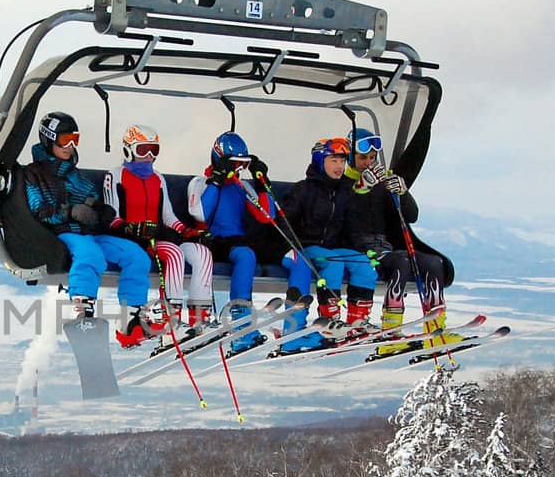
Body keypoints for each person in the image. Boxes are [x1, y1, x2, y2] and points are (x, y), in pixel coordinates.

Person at [23, 110, 156, 347]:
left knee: (135, 255)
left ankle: (131, 318)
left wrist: (100, 210)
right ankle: (83, 309)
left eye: (75, 139)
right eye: (65, 140)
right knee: (89, 254)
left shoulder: (75, 175)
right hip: (61, 233)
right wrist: (70, 212)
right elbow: (39, 210)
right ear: (48, 138)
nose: (70, 146)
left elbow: (90, 197)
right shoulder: (34, 174)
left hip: (89, 233)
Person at [343, 128, 456, 347]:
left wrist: (402, 193)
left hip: (383, 244)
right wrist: (361, 189)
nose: (368, 163)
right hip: (358, 248)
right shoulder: (344, 183)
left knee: (434, 263)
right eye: (362, 158)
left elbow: (411, 215)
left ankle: (436, 327)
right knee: (401, 261)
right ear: (350, 157)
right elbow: (343, 216)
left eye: (372, 158)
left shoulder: (380, 181)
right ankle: (391, 331)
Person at [103, 123, 215, 341]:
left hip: (153, 239)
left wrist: (187, 231)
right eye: (143, 150)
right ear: (129, 149)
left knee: (189, 253)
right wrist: (130, 228)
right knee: (173, 253)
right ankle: (169, 323)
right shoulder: (115, 175)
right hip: (129, 241)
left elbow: (168, 216)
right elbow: (111, 215)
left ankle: (195, 320)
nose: (149, 157)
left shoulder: (158, 178)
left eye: (154, 151)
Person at [275, 135, 379, 353]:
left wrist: (365, 248)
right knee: (333, 264)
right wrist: (292, 245)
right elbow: (285, 221)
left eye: (342, 161)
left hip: (332, 247)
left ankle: (357, 322)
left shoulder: (345, 191)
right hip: (308, 246)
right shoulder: (304, 189)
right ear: (320, 161)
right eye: (333, 160)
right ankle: (329, 321)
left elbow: (352, 226)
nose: (339, 166)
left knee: (363, 265)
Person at [194, 131, 276, 354]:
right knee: (240, 253)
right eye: (234, 164)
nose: (238, 169)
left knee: (247, 255)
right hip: (209, 242)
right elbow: (200, 214)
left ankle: (242, 320)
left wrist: (261, 184)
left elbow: (267, 216)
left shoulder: (241, 187)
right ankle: (205, 318)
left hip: (233, 243)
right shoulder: (201, 183)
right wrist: (216, 182)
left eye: (243, 164)